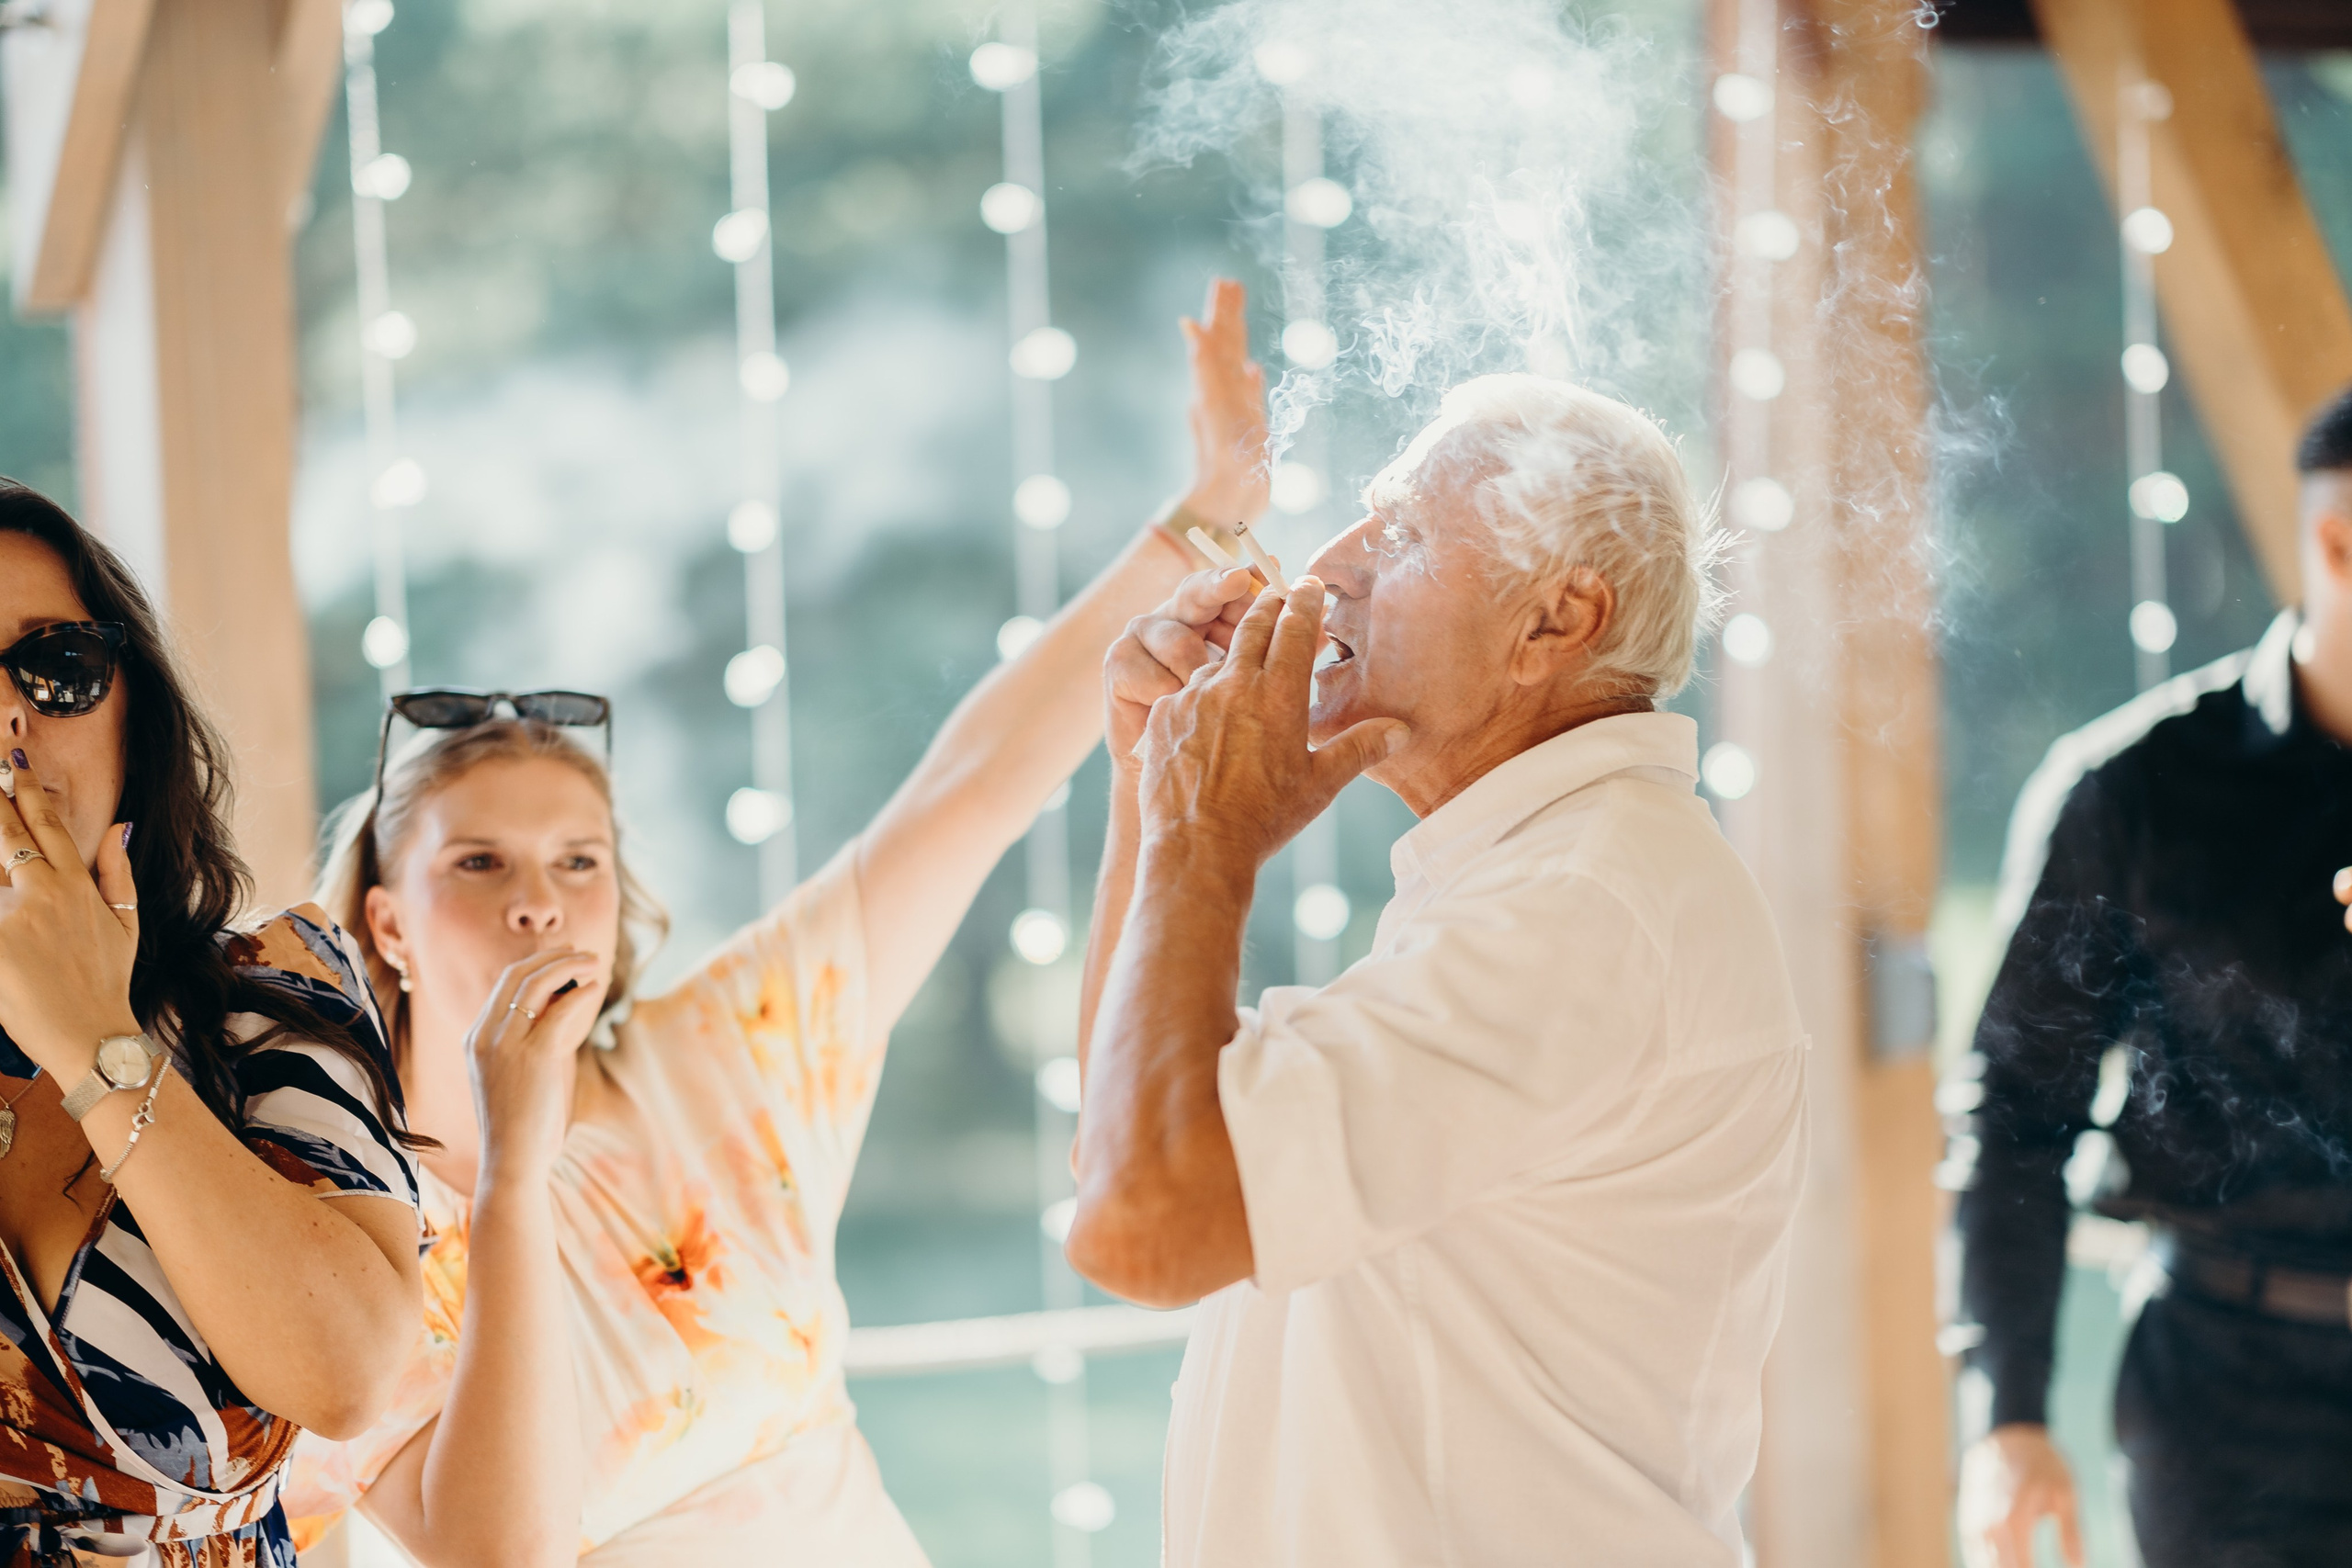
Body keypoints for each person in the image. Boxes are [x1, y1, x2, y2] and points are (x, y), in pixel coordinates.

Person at [278, 281, 1268, 1565]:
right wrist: (513, 1166)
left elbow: (966, 791)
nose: (538, 895)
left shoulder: (726, 1060)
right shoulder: (345, 1226)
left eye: (580, 858)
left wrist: (1208, 519)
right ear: (386, 921)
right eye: (477, 860)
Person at [1069, 375, 1810, 1566]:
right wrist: (1153, 793)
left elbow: (1145, 1222)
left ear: (1555, 623)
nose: (1331, 566)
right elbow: (1131, 1132)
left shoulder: (1578, 907)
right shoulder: (1537, 872)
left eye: (1404, 532)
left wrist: (1203, 842)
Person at [1949, 386, 2352, 1568]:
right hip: (2228, 1407)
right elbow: (2016, 1111)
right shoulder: (2133, 791)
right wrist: (2010, 1411)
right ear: (2336, 543)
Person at [0, 484, 424, 1566]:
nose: (10, 717)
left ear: (131, 712)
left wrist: (93, 1036)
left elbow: (350, 1376)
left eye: (56, 666)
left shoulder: (268, 995)